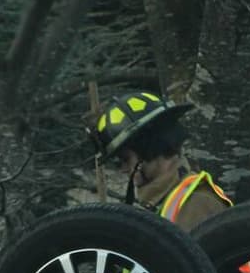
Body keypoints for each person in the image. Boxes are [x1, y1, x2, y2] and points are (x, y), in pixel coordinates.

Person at [90, 90, 232, 230]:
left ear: (148, 149)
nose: (123, 169)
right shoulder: (159, 203)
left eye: (124, 159)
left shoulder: (197, 206)